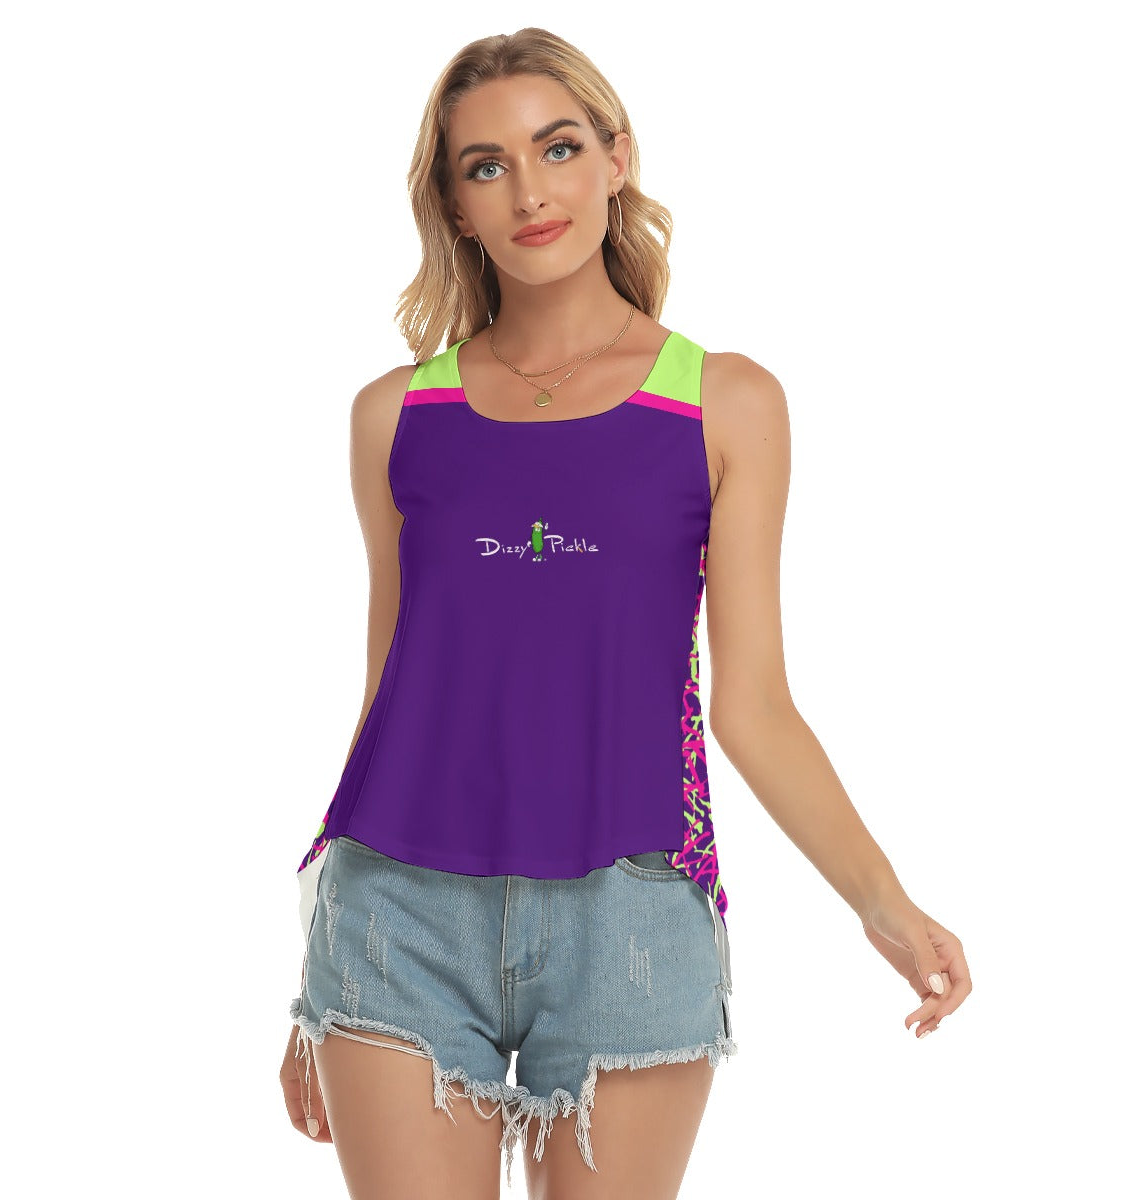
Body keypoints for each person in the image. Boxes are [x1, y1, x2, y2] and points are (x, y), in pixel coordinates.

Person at [277, 26, 972, 1199]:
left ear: (617, 159)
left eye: (558, 148)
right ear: (454, 205)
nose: (529, 191)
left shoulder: (724, 403)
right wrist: (316, 964)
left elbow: (754, 705)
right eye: (486, 165)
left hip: (631, 917)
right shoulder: (394, 416)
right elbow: (390, 693)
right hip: (394, 914)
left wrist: (884, 904)